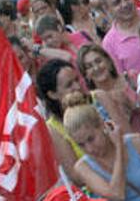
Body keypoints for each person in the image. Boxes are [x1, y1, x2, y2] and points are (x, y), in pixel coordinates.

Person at [64, 93, 140, 201]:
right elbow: (116, 195)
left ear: (102, 125)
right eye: (81, 145)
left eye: (91, 139)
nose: (89, 149)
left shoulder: (137, 142)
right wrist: (119, 146)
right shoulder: (83, 167)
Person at [77, 44, 140, 136]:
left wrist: (132, 105)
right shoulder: (93, 103)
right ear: (86, 75)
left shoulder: (131, 79)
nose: (96, 68)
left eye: (98, 61)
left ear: (108, 61)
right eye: (89, 66)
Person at [37, 59, 87, 187]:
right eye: (69, 85)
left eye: (76, 80)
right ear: (52, 94)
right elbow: (78, 177)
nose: (77, 86)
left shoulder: (99, 99)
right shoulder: (54, 129)